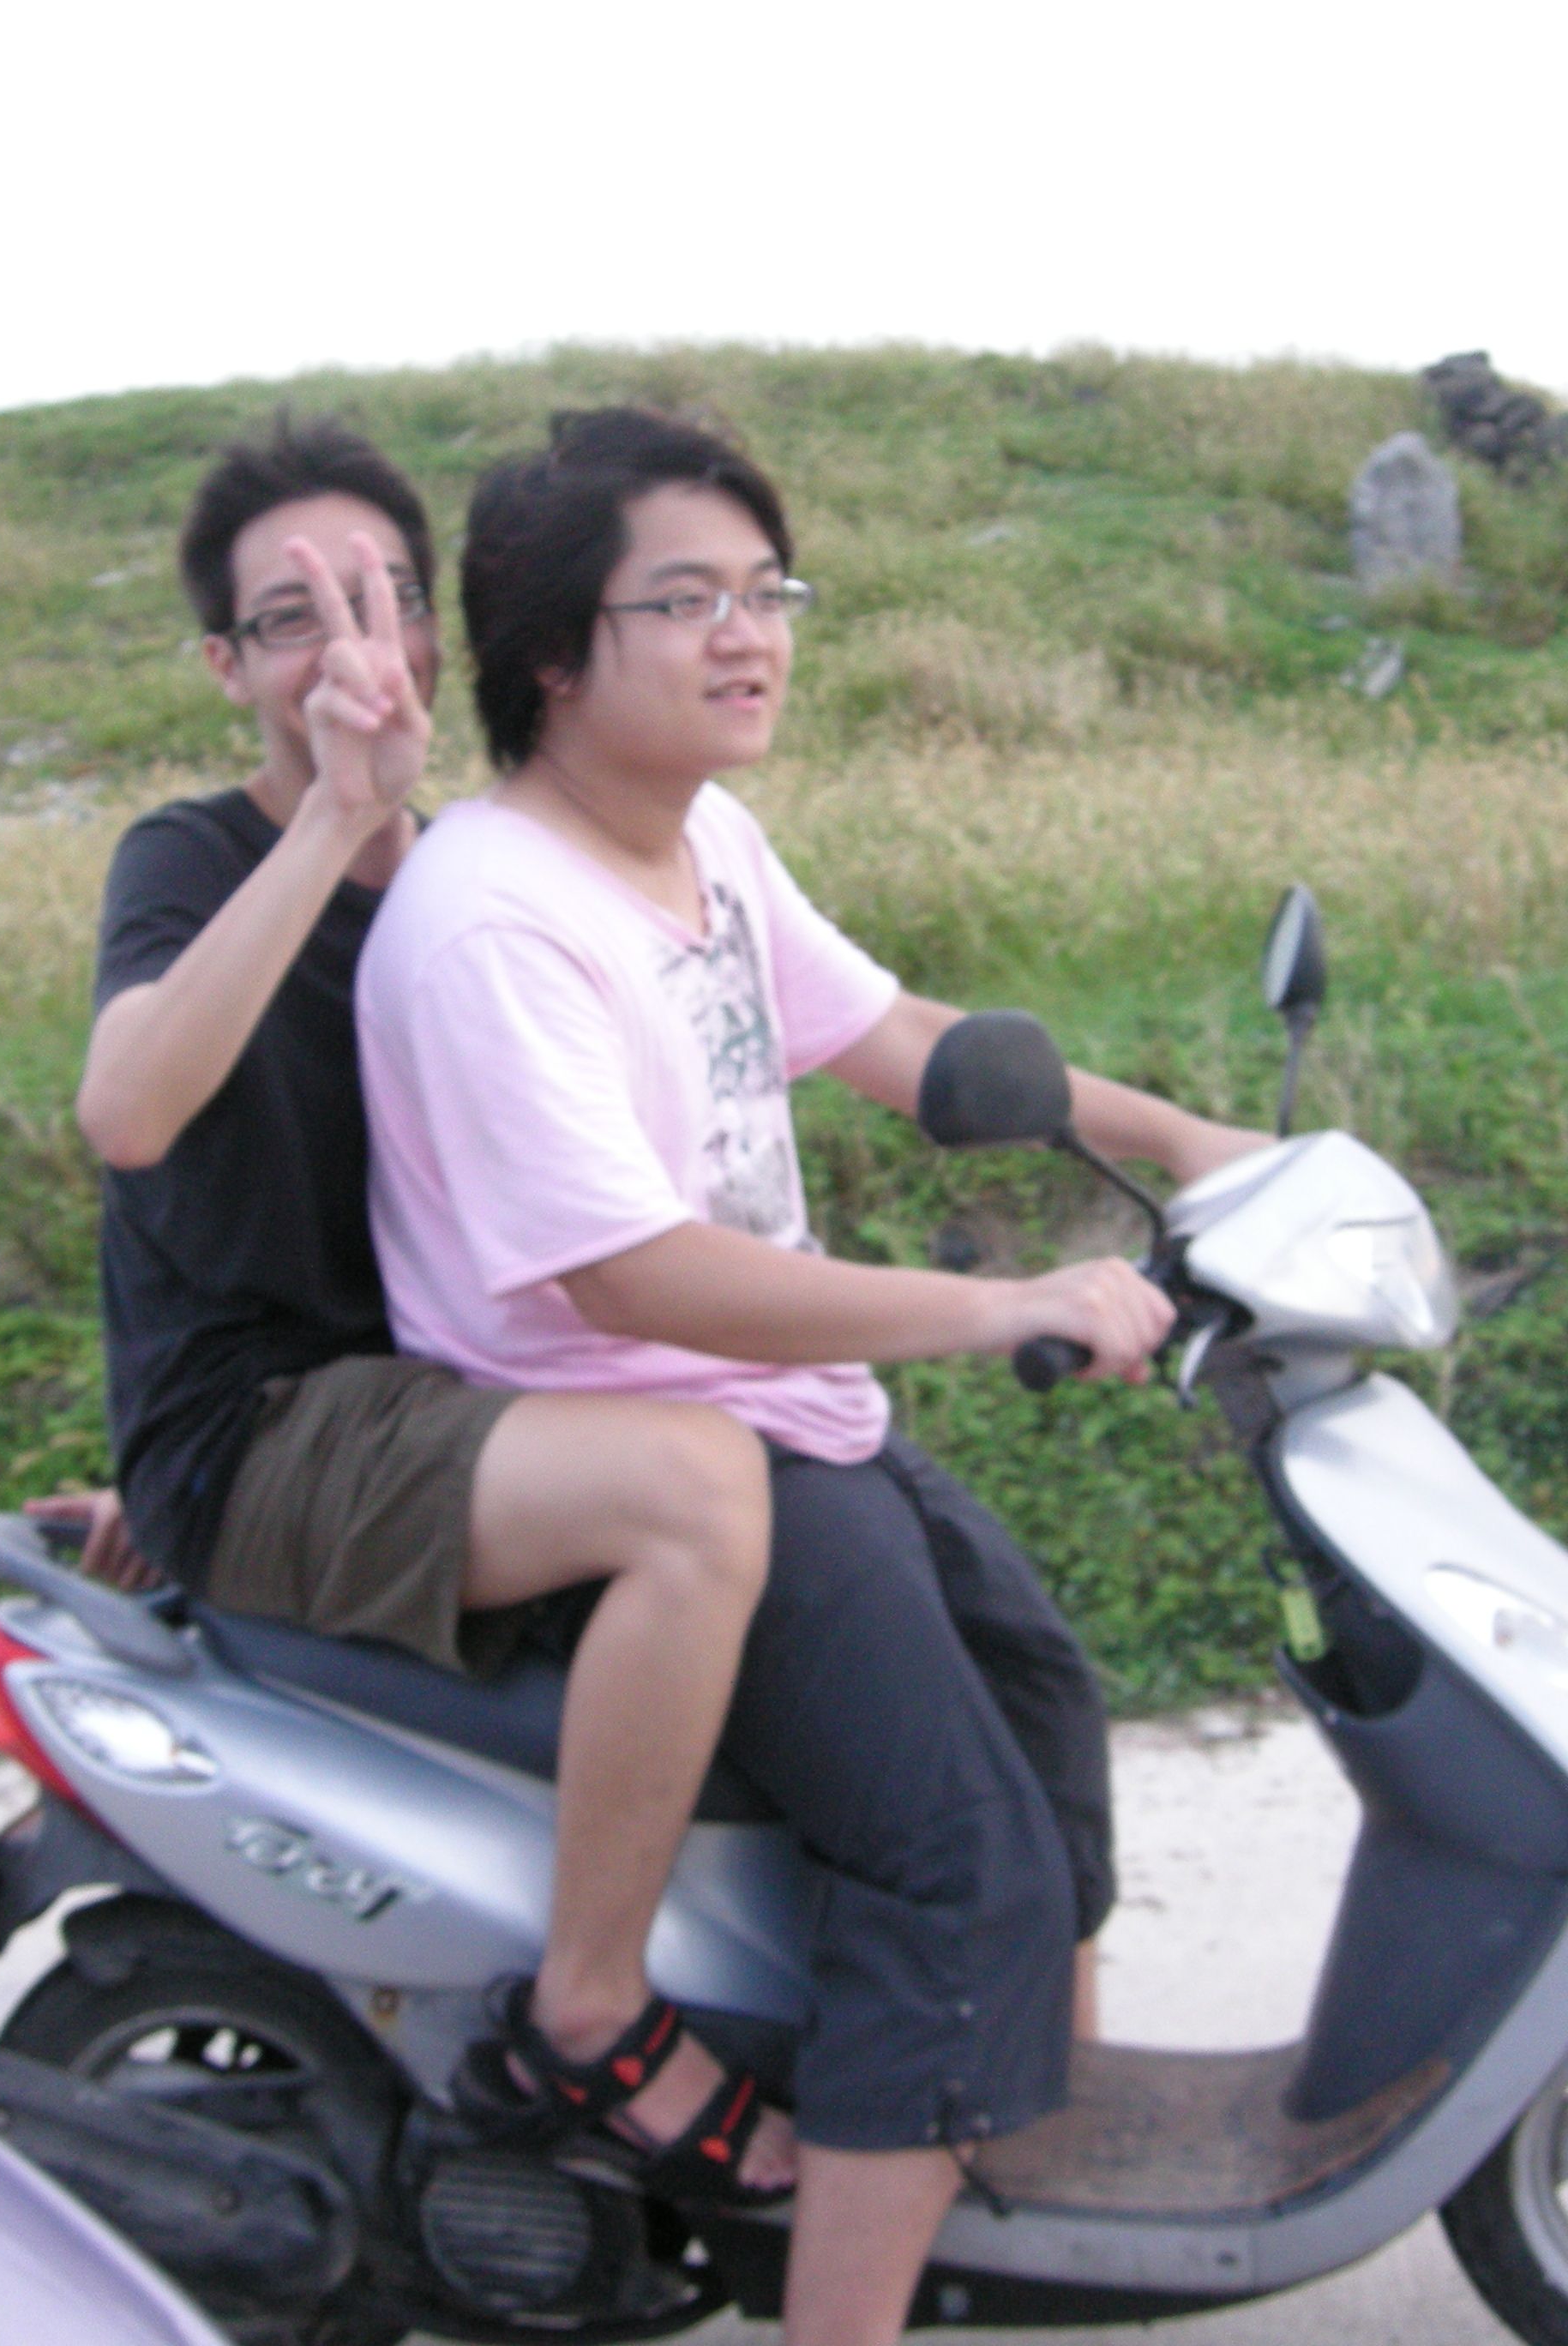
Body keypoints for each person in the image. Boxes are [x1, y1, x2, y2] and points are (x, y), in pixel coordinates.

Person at [351, 407, 1265, 2346]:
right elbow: (629, 1270)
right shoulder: (496, 918)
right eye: (686, 600)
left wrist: (1194, 1141)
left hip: (782, 1422)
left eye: (768, 591)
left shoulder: (704, 841)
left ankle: (1015, 2190)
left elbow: (901, 1040)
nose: (748, 634)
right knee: (960, 1869)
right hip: (644, 1442)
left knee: (1046, 1713)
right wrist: (992, 1304)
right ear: (553, 655)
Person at [60, 414, 790, 2198]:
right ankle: (591, 2005)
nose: (356, 642)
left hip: (441, 1402)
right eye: (295, 617)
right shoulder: (194, 858)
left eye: (388, 596)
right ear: (226, 667)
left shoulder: (487, 875)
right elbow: (132, 1114)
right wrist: (335, 814)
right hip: (275, 1432)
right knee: (694, 1493)